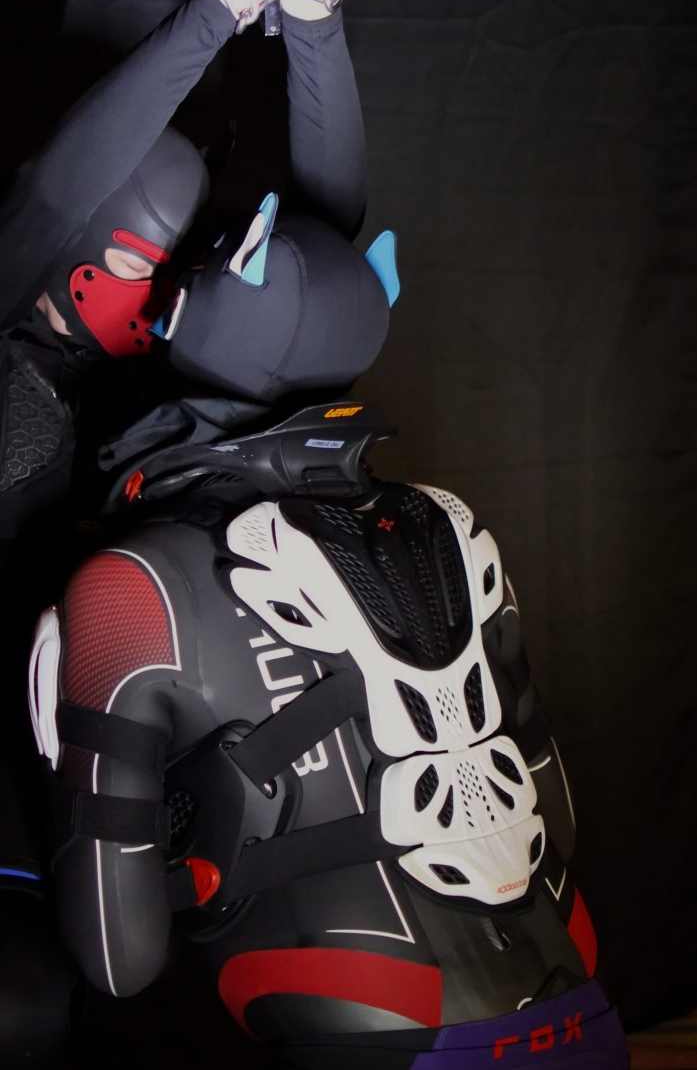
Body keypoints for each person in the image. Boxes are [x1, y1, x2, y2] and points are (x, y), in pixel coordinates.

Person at [29, 190, 629, 1067]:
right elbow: (555, 824)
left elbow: (118, 958)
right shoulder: (453, 526)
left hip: (377, 1039)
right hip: (584, 1007)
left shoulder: (131, 586)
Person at [0, 0, 378, 1065]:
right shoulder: (17, 339)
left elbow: (324, 244)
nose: (165, 289)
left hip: (127, 768)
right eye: (134, 265)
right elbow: (58, 196)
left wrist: (310, 9)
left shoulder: (164, 371)